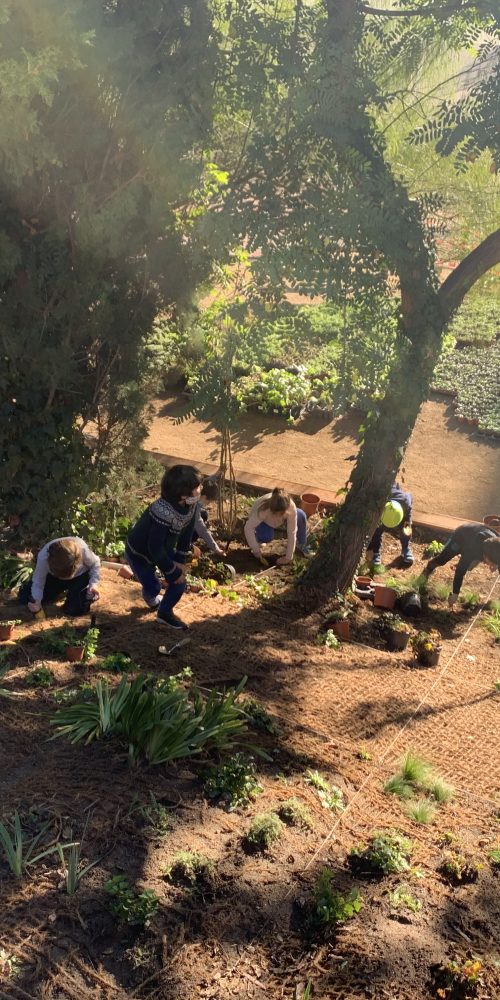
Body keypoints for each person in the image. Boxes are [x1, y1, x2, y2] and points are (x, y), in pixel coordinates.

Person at [125, 464, 221, 630]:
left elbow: (187, 533)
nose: (201, 489)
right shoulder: (162, 512)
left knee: (179, 583)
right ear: (183, 495)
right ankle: (151, 598)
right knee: (154, 587)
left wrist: (180, 560)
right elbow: (154, 547)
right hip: (139, 553)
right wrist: (171, 570)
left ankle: (164, 613)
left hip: (162, 548)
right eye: (197, 487)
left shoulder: (191, 505)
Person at [19, 537, 101, 616]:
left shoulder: (82, 549)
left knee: (75, 609)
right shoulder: (44, 556)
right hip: (55, 578)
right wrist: (36, 600)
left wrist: (93, 584)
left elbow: (95, 563)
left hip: (79, 577)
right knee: (25, 597)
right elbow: (38, 582)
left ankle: (84, 595)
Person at [423, 522, 500, 605]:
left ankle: (464, 562)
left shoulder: (497, 546)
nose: (490, 565)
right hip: (460, 536)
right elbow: (460, 571)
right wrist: (455, 593)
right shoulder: (473, 550)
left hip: (475, 537)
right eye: (490, 562)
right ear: (485, 556)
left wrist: (495, 564)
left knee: (468, 566)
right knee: (442, 559)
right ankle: (428, 569)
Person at [244, 488, 311, 565]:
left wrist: (288, 557)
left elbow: (292, 532)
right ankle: (260, 539)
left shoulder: (291, 507)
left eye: (280, 514)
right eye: (276, 514)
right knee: (266, 537)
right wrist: (255, 549)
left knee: (301, 515)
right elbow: (248, 528)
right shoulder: (263, 509)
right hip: (265, 521)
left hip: (282, 517)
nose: (278, 516)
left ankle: (302, 544)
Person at [368, 483, 414, 566]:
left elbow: (410, 496)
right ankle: (376, 552)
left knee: (407, 528)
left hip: (400, 505)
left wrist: (408, 520)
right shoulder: (379, 503)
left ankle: (406, 548)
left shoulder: (405, 501)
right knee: (377, 530)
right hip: (383, 505)